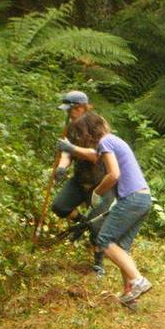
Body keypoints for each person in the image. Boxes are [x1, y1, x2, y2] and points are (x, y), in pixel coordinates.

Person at [59, 112, 153, 306]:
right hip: (144, 198)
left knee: (103, 239)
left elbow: (114, 174)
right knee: (121, 246)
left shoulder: (106, 142)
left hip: (132, 198)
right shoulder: (115, 140)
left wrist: (97, 192)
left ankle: (138, 280)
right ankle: (129, 295)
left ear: (89, 132)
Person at [51, 90, 110, 275]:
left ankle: (98, 263)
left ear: (80, 108)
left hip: (101, 183)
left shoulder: (97, 125)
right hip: (79, 179)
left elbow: (96, 155)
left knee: (97, 227)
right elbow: (67, 153)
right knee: (60, 206)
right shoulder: (71, 127)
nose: (69, 114)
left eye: (71, 110)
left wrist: (72, 147)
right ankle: (82, 222)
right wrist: (62, 167)